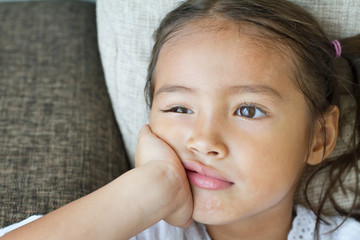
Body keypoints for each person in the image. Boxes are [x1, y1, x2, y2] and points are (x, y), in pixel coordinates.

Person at [1, 0, 360, 239]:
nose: (203, 140)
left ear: (319, 136)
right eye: (180, 108)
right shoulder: (129, 223)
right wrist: (148, 188)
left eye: (248, 110)